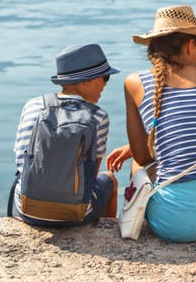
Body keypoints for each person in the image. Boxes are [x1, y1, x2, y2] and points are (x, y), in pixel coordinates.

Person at [106, 5, 196, 242]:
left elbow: (143, 157)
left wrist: (133, 150)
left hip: (175, 224)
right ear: (191, 44)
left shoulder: (134, 82)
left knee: (136, 168)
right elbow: (193, 130)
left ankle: (129, 220)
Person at [9, 44, 120, 228]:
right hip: (75, 214)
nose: (106, 83)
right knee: (109, 179)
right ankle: (104, 231)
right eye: (105, 77)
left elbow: (21, 160)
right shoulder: (98, 117)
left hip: (27, 208)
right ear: (87, 80)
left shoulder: (33, 106)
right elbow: (91, 175)